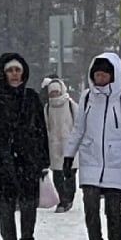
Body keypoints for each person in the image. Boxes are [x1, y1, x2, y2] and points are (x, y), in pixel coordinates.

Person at [63, 52, 121, 240]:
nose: (100, 79)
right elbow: (78, 129)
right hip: (91, 160)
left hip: (115, 162)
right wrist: (69, 157)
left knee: (113, 211)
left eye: (104, 75)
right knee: (90, 209)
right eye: (97, 75)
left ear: (113, 76)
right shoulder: (87, 98)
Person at [0, 53, 50, 240]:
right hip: (2, 163)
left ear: (24, 72)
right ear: (3, 73)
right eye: (10, 70)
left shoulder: (31, 98)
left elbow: (41, 130)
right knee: (6, 209)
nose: (14, 75)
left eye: (17, 70)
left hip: (29, 161)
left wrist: (43, 160)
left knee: (29, 207)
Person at [41, 74, 80, 212]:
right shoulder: (47, 108)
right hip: (54, 147)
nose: (54, 94)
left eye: (56, 91)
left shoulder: (71, 105)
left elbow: (79, 125)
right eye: (52, 92)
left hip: (70, 147)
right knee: (58, 176)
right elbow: (46, 127)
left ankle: (69, 199)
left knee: (70, 176)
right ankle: (62, 200)